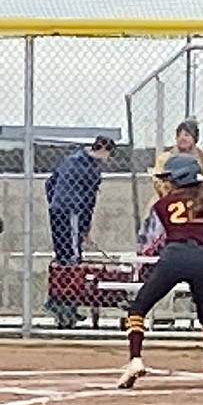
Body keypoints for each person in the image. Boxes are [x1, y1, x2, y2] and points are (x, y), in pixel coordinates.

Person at [116, 155, 203, 389]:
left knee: (138, 308)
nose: (167, 183)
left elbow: (179, 221)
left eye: (170, 179)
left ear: (180, 178)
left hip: (174, 256)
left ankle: (135, 359)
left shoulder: (162, 204)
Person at [45, 136, 114, 326]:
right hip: (72, 211)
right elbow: (88, 202)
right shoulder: (92, 169)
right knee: (73, 258)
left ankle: (62, 302)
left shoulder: (70, 159)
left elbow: (50, 183)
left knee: (62, 256)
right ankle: (63, 303)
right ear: (104, 151)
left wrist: (54, 202)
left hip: (57, 209)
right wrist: (85, 228)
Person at [151, 120, 203, 198]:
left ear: (195, 138)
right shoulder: (164, 159)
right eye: (179, 135)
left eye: (186, 135)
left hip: (200, 197)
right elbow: (158, 183)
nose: (182, 138)